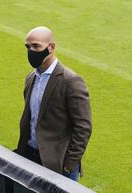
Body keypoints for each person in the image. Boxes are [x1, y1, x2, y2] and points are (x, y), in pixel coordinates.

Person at [16, 26, 92, 181]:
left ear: (51, 47)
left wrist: (69, 165)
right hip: (30, 157)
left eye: (36, 46)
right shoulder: (31, 78)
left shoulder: (71, 81)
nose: (31, 51)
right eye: (28, 47)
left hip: (58, 165)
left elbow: (83, 127)